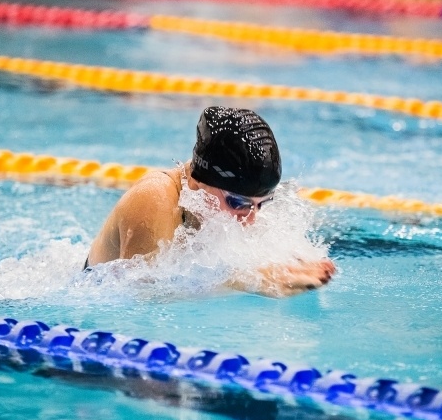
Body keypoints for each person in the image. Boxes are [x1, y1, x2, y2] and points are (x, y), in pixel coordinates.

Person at [84, 106, 335, 297]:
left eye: (260, 204)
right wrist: (251, 280)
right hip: (88, 298)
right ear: (200, 179)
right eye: (237, 203)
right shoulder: (154, 199)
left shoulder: (234, 207)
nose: (249, 220)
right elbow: (142, 296)